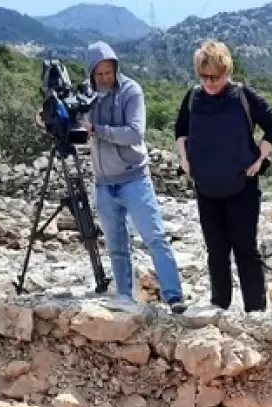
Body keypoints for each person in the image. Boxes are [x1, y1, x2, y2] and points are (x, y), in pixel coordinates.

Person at [175, 39, 272, 313]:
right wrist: (184, 158)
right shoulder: (193, 98)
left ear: (227, 71)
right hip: (206, 186)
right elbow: (181, 130)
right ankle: (219, 306)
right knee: (216, 250)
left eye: (215, 76)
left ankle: (256, 311)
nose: (209, 82)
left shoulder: (244, 96)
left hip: (241, 186)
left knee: (245, 249)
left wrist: (260, 159)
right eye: (204, 76)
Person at [83, 42, 188, 313]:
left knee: (154, 237)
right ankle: (125, 299)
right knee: (117, 245)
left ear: (117, 67)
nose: (106, 78)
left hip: (134, 179)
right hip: (104, 182)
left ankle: (174, 296)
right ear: (91, 73)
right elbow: (78, 129)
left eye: (109, 72)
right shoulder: (87, 95)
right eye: (100, 74)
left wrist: (97, 129)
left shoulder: (131, 91)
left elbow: (134, 133)